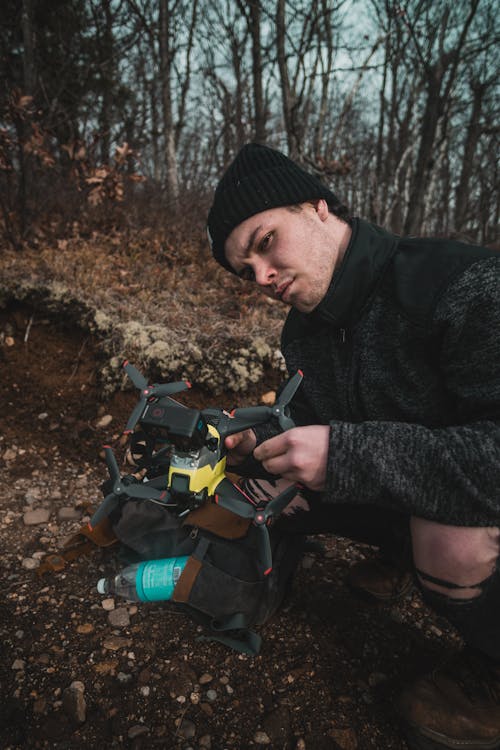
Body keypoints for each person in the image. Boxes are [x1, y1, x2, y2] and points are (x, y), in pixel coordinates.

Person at [206, 143, 500, 750]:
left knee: (451, 542)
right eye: (245, 270)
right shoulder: (304, 330)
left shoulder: (463, 283)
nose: (260, 277)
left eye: (265, 242)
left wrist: (346, 455)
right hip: (402, 493)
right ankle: (388, 553)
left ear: (318, 207)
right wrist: (257, 438)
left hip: (477, 506)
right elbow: (314, 418)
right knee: (260, 486)